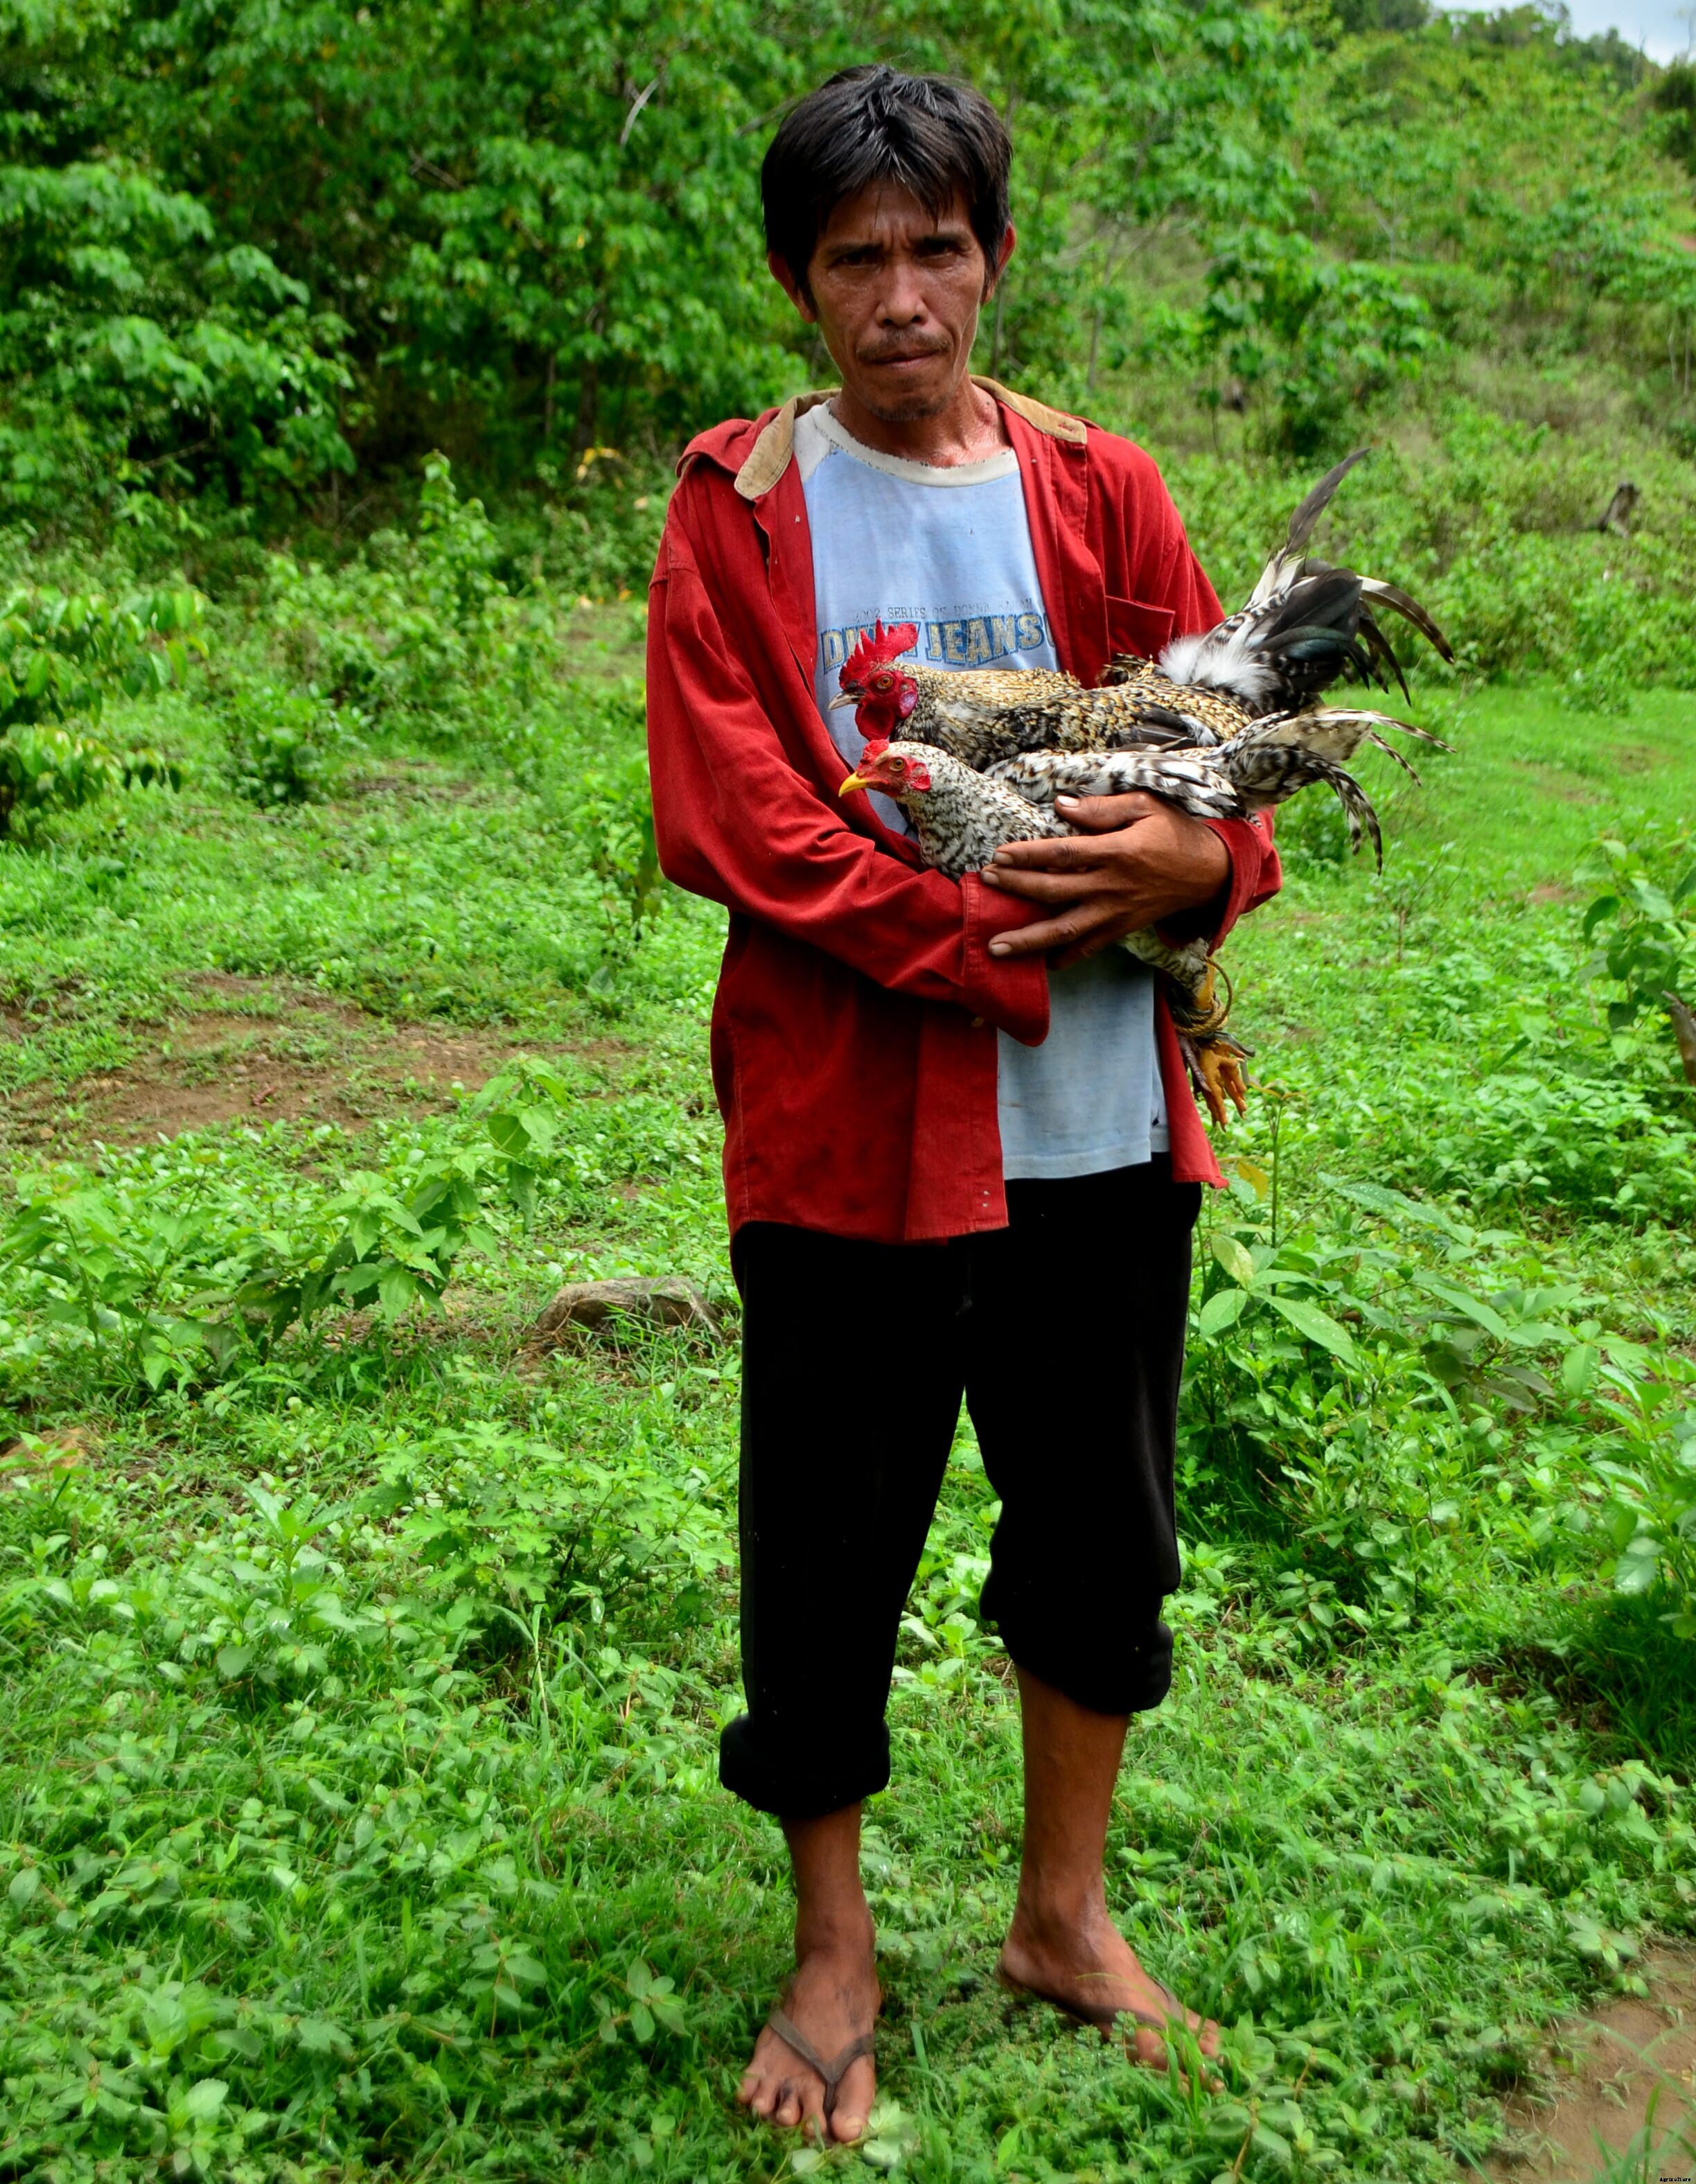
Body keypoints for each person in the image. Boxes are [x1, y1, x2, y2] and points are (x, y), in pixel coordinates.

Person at [645, 63, 1281, 2147]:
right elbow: (732, 812)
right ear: (800, 284)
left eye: (939, 247)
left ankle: (1062, 1920)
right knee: (827, 1545)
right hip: (851, 1128)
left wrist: (1205, 874)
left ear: (994, 260)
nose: (902, 293)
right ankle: (833, 1955)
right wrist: (989, 935)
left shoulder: (1104, 486)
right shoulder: (738, 507)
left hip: (1104, 1125)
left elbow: (1218, 754)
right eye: (856, 257)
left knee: (1101, 1525)